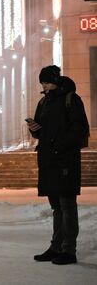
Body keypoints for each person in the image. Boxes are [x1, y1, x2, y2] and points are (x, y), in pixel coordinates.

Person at [28, 65, 90, 265]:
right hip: (48, 160)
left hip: (65, 160)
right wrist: (35, 129)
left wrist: (58, 145)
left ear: (55, 81)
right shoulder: (44, 101)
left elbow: (79, 130)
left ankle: (68, 251)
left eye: (46, 82)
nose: (44, 86)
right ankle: (56, 247)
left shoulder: (71, 99)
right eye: (42, 83)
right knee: (56, 206)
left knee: (67, 205)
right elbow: (42, 130)